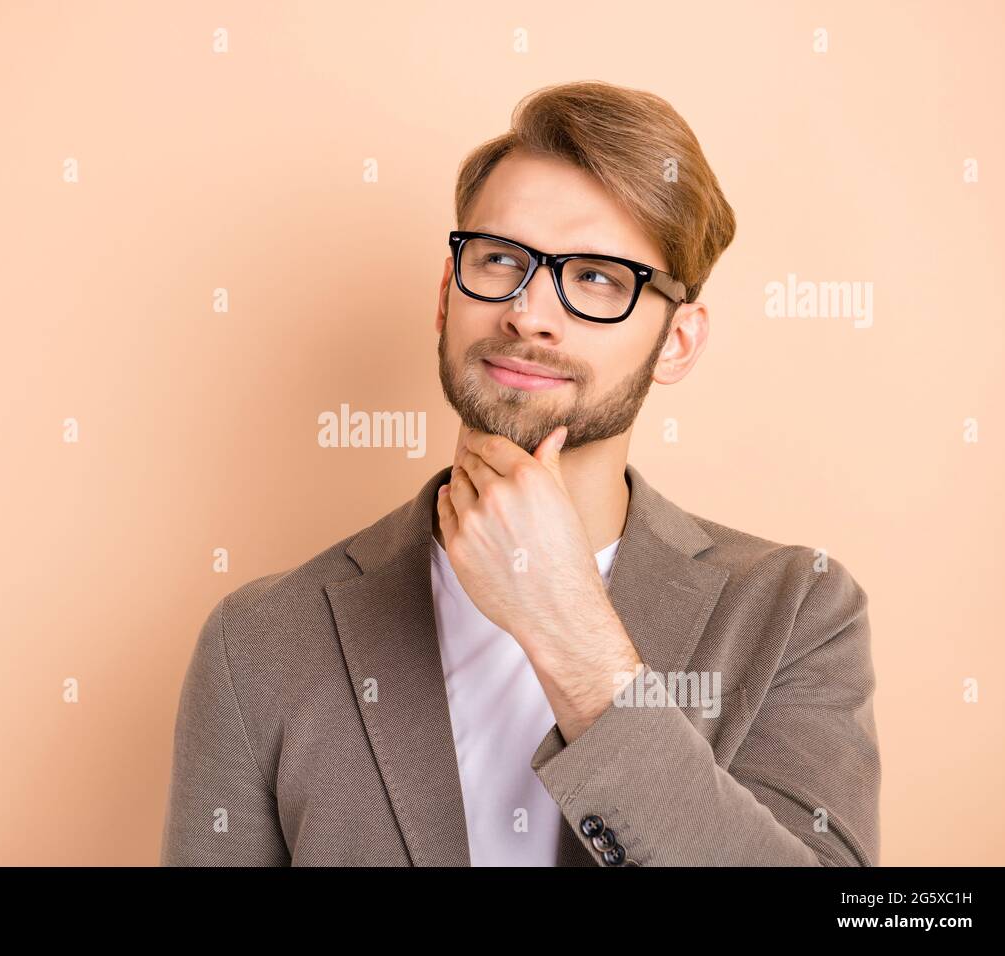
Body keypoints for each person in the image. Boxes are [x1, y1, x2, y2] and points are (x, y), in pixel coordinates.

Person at [160, 80, 880, 866]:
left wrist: (572, 634)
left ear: (678, 342)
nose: (529, 312)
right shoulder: (258, 642)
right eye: (501, 259)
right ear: (446, 295)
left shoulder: (797, 612)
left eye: (598, 278)